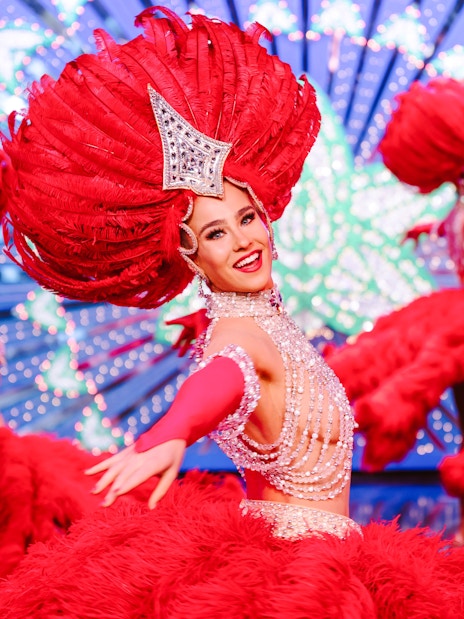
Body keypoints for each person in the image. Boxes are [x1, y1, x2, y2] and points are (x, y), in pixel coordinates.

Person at [1, 8, 464, 618]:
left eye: (247, 219)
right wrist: (171, 432)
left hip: (333, 559)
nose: (244, 241)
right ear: (190, 255)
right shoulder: (242, 336)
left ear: (267, 217)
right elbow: (227, 375)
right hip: (299, 581)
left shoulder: (256, 321)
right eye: (216, 234)